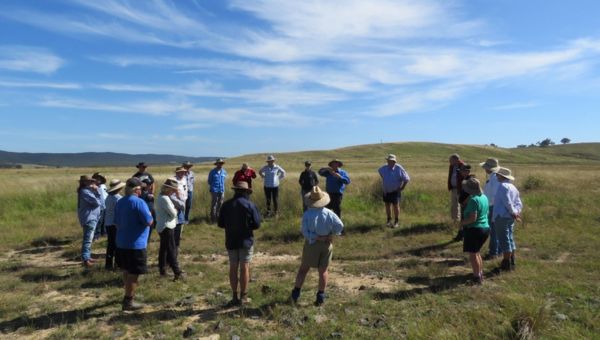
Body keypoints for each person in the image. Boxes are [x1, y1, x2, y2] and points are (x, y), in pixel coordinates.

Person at [291, 186, 344, 306]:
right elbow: (340, 226)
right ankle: (320, 297)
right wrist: (331, 234)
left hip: (312, 244)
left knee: (303, 269)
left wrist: (316, 237)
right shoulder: (329, 213)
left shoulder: (307, 214)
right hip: (326, 245)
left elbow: (304, 232)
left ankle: (295, 295)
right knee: (323, 271)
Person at [218, 181, 261, 306]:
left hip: (231, 239)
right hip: (246, 240)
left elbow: (220, 224)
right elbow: (257, 224)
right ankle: (244, 296)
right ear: (246, 192)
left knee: (233, 266)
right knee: (244, 267)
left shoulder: (226, 205)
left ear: (235, 191)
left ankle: (234, 296)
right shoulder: (250, 205)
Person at [114, 178, 154, 311]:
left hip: (121, 242)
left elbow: (116, 222)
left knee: (126, 270)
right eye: (141, 189)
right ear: (136, 190)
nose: (142, 190)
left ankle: (129, 293)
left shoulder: (120, 202)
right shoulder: (139, 202)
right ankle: (128, 301)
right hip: (136, 244)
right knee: (134, 274)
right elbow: (148, 221)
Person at [460, 177, 490, 284]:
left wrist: (461, 223)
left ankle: (476, 278)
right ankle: (480, 274)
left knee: (473, 255)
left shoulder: (473, 200)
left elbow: (473, 218)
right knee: (477, 253)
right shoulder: (484, 197)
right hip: (485, 228)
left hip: (475, 229)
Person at [493, 167, 523, 271]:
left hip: (502, 216)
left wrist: (513, 212)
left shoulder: (502, 186)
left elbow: (507, 202)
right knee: (509, 237)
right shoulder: (513, 187)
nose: (496, 176)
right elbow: (519, 203)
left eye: (497, 175)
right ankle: (512, 261)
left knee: (504, 239)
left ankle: (506, 263)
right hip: (509, 216)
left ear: (502, 176)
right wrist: (516, 212)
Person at [156, 179, 185, 281]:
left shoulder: (161, 196)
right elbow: (173, 213)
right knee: (171, 249)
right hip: (167, 226)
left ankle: (162, 270)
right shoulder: (165, 198)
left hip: (162, 226)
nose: (173, 191)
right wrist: (176, 209)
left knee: (163, 249)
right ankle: (177, 272)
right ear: (168, 189)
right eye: (172, 190)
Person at [378, 154, 410, 228]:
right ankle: (389, 221)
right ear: (387, 161)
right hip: (386, 190)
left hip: (395, 191)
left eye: (392, 161)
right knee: (387, 205)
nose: (390, 162)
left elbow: (406, 179)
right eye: (389, 161)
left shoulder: (399, 168)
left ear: (394, 161)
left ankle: (396, 222)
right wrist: (385, 180)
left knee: (396, 206)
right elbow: (380, 172)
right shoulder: (384, 168)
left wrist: (402, 188)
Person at [77, 175, 102, 267]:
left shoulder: (84, 191)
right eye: (90, 182)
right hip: (89, 218)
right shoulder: (85, 192)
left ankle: (87, 256)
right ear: (84, 183)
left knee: (88, 238)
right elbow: (97, 203)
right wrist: (97, 191)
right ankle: (85, 259)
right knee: (88, 239)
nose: (92, 183)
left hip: (90, 217)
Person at [480, 158, 501, 260]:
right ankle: (497, 251)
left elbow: (495, 195)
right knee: (495, 230)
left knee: (493, 231)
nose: (484, 169)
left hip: (493, 206)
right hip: (493, 206)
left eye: (485, 167)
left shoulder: (495, 178)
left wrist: (489, 205)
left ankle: (493, 253)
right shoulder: (495, 177)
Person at [104, 179, 125, 270]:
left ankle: (108, 264)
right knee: (117, 245)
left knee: (110, 244)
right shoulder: (118, 198)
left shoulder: (108, 197)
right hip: (115, 224)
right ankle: (118, 264)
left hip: (108, 223)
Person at [453, 163, 475, 242]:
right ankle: (461, 235)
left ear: (467, 171)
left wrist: (465, 202)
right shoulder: (465, 179)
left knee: (466, 221)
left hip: (468, 204)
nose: (460, 172)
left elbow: (472, 194)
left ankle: (466, 236)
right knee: (463, 220)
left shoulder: (471, 180)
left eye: (462, 171)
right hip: (464, 204)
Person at [447, 153, 465, 227]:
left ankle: (462, 222)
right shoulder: (451, 166)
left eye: (451, 160)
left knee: (462, 205)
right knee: (454, 205)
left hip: (461, 189)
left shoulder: (463, 166)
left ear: (456, 160)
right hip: (453, 188)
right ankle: (455, 220)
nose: (449, 161)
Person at [172, 169, 188, 246]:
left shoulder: (184, 179)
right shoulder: (173, 180)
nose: (182, 173)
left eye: (183, 172)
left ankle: (179, 235)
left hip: (183, 200)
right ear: (177, 172)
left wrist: (185, 198)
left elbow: (185, 189)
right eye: (181, 172)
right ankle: (174, 236)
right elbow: (172, 193)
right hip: (176, 202)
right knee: (175, 218)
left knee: (181, 218)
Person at [208, 159, 227, 223]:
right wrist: (213, 188)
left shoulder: (224, 172)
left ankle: (219, 218)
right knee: (214, 204)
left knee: (220, 204)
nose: (220, 164)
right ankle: (213, 219)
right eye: (219, 163)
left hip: (222, 190)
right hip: (214, 190)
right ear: (217, 164)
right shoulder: (212, 172)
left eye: (221, 163)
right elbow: (209, 181)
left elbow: (224, 180)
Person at [92, 172, 108, 240]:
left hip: (105, 205)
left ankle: (104, 234)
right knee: (98, 221)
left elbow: (106, 194)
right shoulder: (93, 187)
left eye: (100, 178)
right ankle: (96, 236)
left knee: (104, 221)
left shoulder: (103, 186)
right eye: (97, 178)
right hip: (98, 206)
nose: (98, 180)